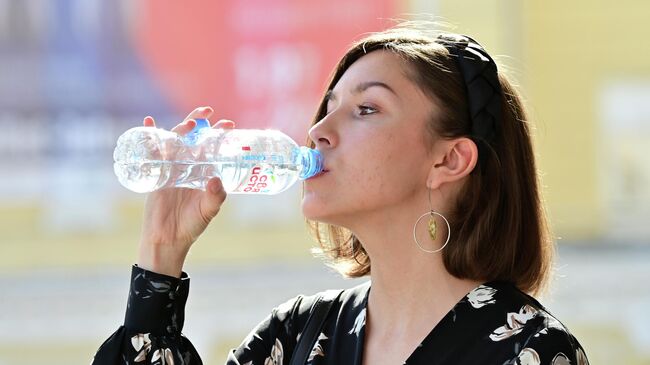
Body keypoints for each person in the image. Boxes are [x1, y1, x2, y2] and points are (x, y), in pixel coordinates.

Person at [92, 22, 589, 365]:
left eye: (366, 109)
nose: (318, 131)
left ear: (448, 160)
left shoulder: (530, 350)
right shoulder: (295, 335)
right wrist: (161, 254)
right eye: (327, 107)